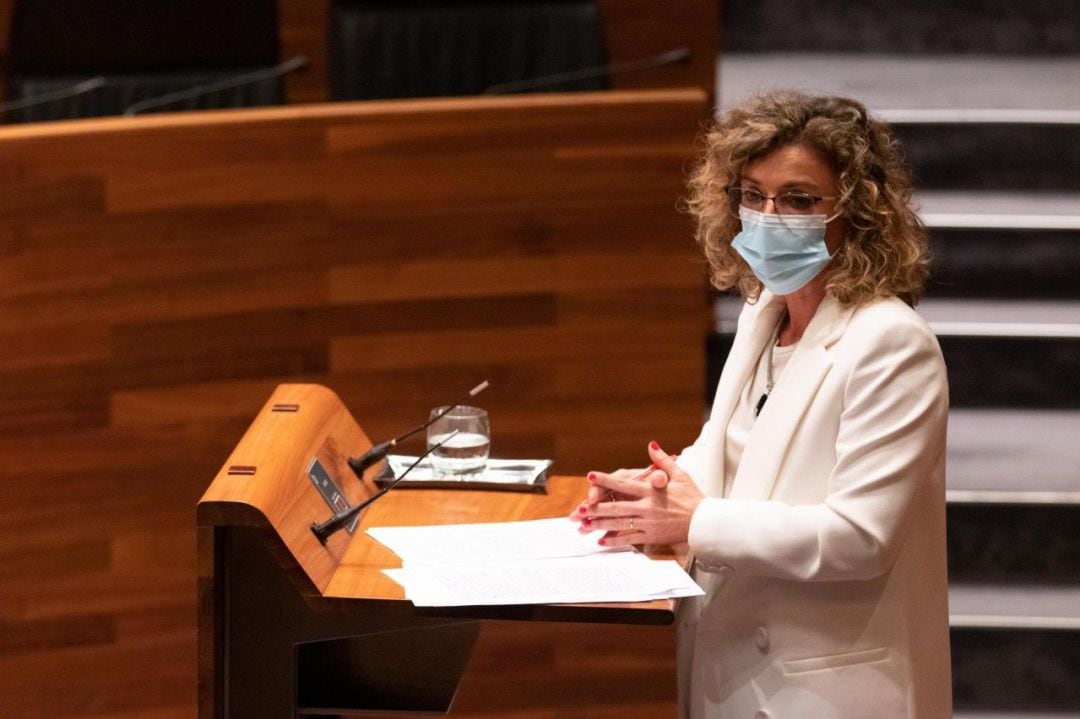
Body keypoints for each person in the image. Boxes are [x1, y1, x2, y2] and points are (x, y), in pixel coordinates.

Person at [569, 91, 951, 718]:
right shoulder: (763, 313)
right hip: (731, 668)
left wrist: (694, 522)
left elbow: (860, 537)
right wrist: (652, 495)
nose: (770, 216)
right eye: (753, 195)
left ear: (857, 213)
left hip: (820, 689)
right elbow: (736, 450)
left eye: (799, 199)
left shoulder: (892, 343)